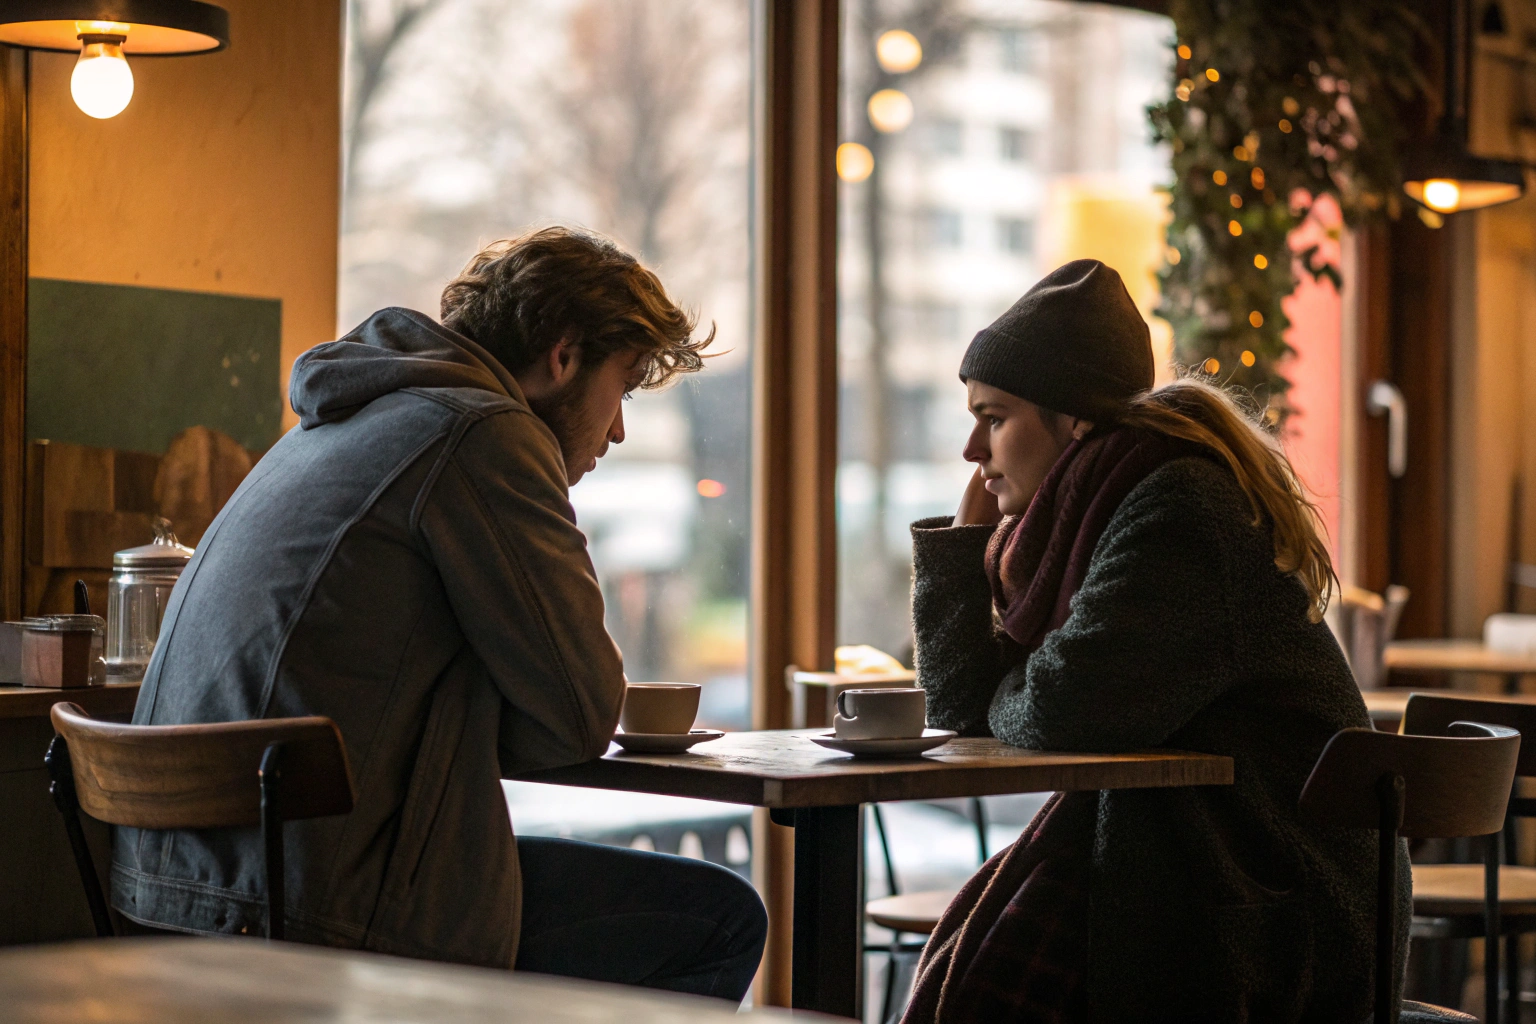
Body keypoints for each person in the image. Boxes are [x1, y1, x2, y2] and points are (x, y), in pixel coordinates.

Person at [111, 227, 767, 1002]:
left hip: (156, 896)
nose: (618, 429)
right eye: (619, 389)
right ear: (562, 357)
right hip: (315, 917)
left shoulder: (327, 430)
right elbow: (583, 712)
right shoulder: (484, 433)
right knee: (718, 916)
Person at [902, 260, 1391, 1022]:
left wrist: (1019, 686)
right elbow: (967, 710)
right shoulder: (1106, 511)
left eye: (994, 418)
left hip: (1273, 892)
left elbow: (1065, 711)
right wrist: (962, 552)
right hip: (1196, 858)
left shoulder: (1178, 509)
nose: (972, 450)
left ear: (1076, 420)